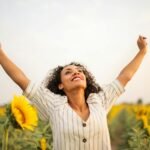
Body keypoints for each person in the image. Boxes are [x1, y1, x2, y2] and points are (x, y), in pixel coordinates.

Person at [0, 35, 148, 150]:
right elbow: (21, 79)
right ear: (60, 85)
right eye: (68, 72)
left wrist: (142, 51)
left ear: (85, 79)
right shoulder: (53, 105)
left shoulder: (100, 100)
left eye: (79, 71)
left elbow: (125, 76)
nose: (75, 73)